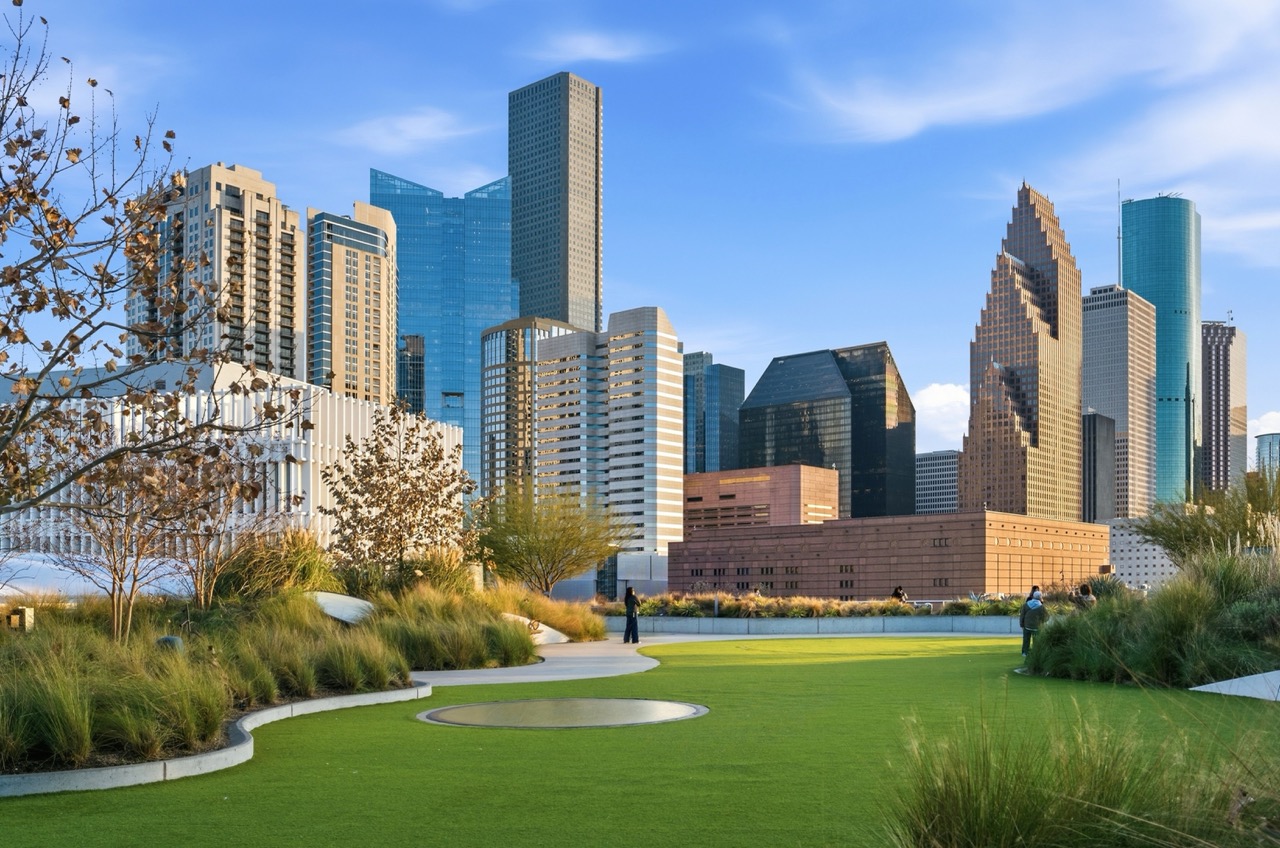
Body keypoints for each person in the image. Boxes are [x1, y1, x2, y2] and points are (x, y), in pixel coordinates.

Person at [1019, 590, 1047, 657]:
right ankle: (1035, 653)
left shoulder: (1026, 605)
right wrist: (1042, 622)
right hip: (1037, 626)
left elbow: (1022, 615)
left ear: (1033, 596)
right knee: (1036, 641)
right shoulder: (1041, 607)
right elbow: (1046, 617)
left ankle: (1025, 653)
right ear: (1040, 597)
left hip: (1027, 625)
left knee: (1026, 640)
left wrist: (1021, 624)